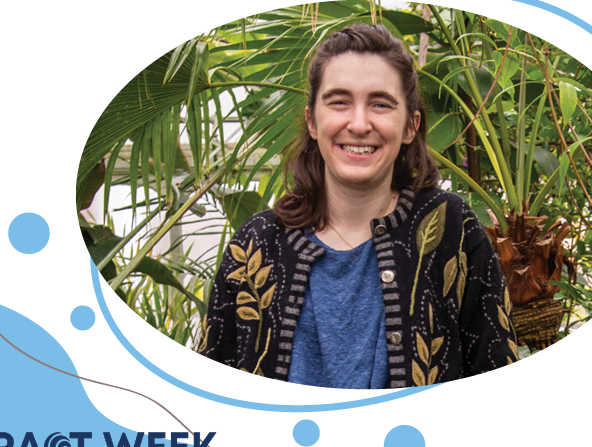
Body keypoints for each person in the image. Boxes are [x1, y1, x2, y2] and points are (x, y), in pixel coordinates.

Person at [199, 24, 518, 388]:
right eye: (339, 102)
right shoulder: (256, 245)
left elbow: (497, 381)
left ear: (410, 127)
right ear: (312, 120)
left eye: (380, 104)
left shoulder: (451, 230)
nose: (359, 123)